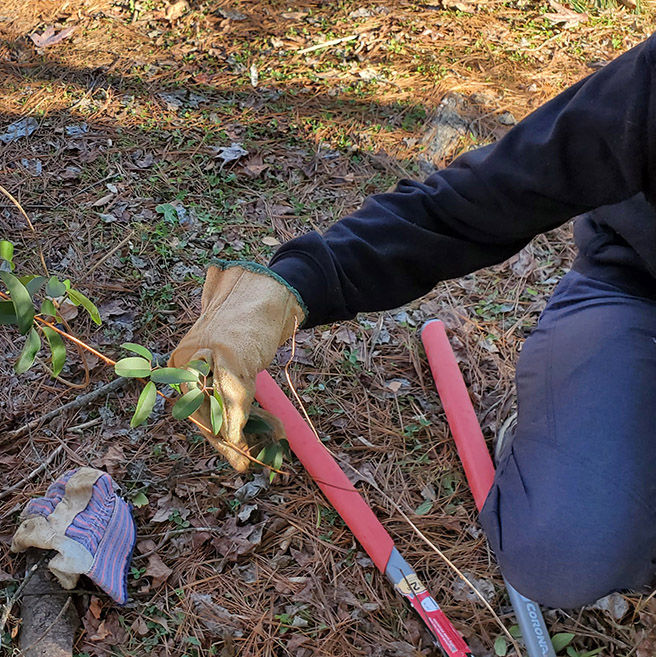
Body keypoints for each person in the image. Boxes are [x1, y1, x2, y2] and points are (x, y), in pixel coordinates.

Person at [173, 33, 656, 611]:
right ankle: (557, 434)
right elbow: (471, 203)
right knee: (561, 555)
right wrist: (288, 289)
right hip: (636, 289)